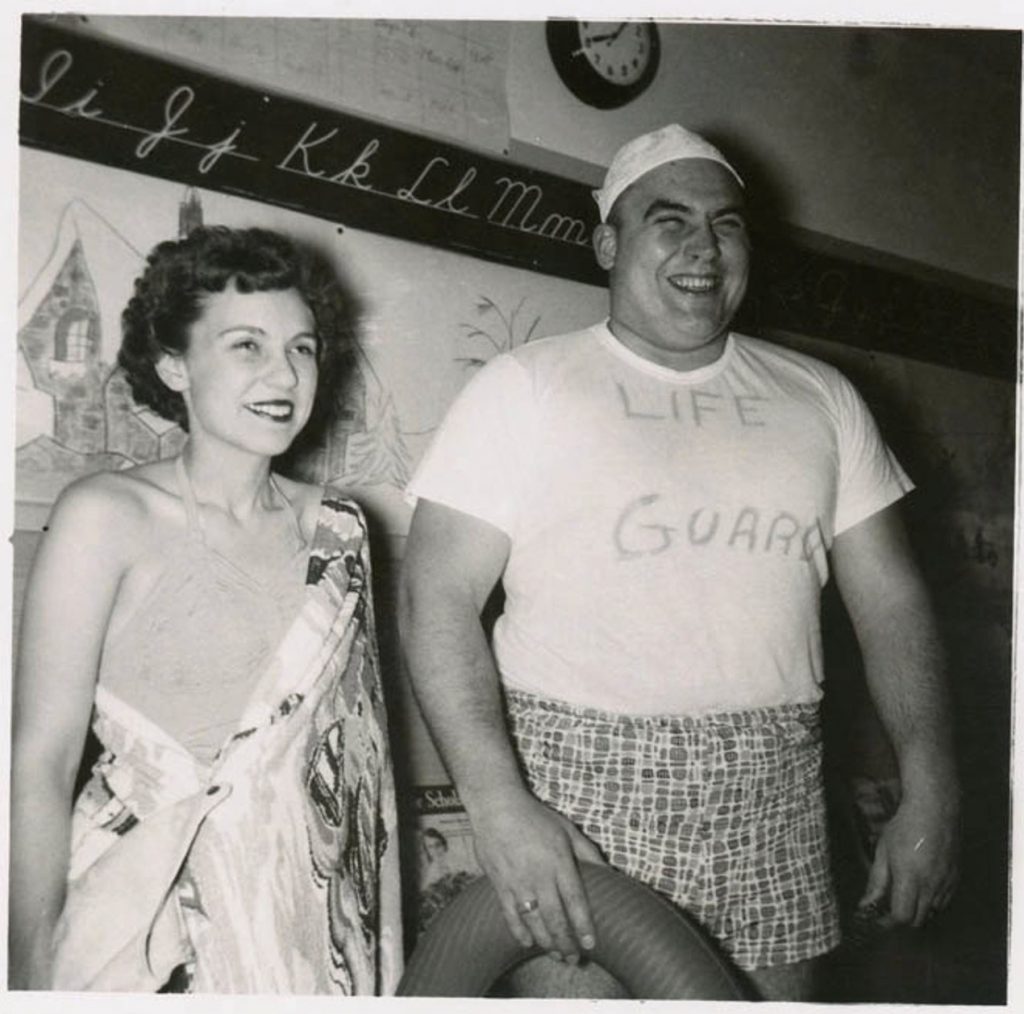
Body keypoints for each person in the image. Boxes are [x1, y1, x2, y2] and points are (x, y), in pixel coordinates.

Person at [398, 125, 959, 1001]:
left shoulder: (822, 398)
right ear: (607, 244)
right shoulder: (526, 386)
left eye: (727, 224)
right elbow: (434, 598)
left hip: (772, 794)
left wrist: (932, 788)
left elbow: (892, 604)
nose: (703, 247)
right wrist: (499, 806)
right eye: (670, 220)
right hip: (577, 790)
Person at [9, 226, 402, 993]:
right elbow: (40, 761)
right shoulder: (106, 515)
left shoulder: (342, 530)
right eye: (247, 346)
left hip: (310, 928)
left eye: (302, 347)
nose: (284, 372)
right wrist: (25, 974)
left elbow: (361, 777)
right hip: (150, 930)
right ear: (172, 365)